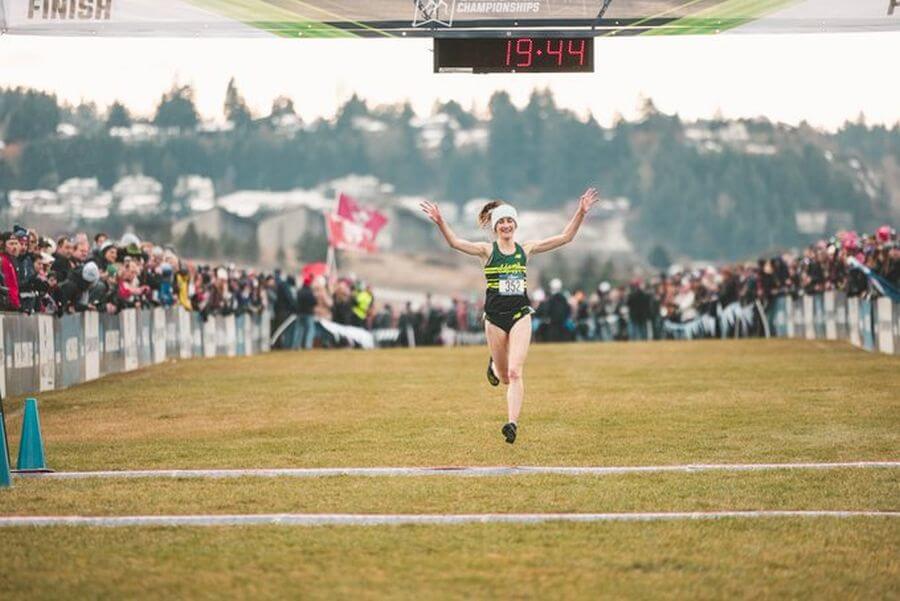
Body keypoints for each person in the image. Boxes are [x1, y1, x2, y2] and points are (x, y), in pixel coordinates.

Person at [420, 187, 599, 444]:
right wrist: (440, 222)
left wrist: (580, 212)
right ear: (495, 227)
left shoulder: (526, 249)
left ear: (515, 225)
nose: (506, 225)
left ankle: (512, 423)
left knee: (515, 373)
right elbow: (455, 243)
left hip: (520, 316)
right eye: (501, 221)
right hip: (494, 319)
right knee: (503, 376)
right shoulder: (486, 251)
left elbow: (565, 237)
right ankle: (493, 365)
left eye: (509, 221)